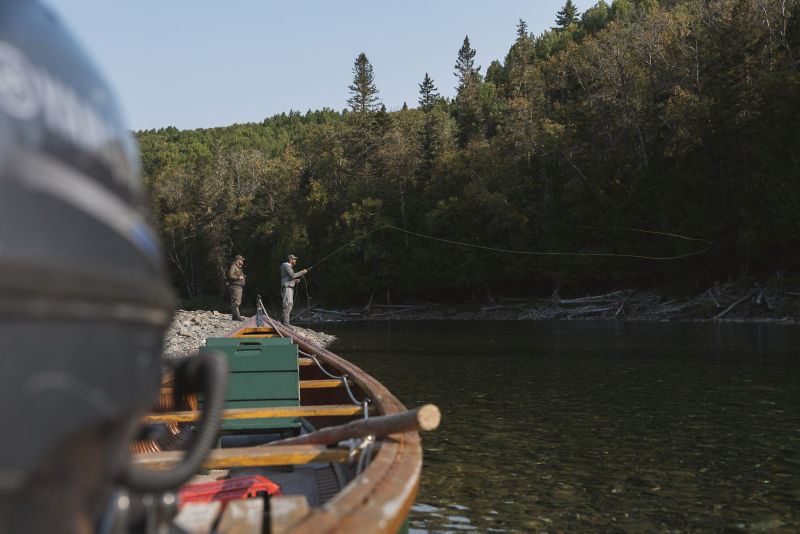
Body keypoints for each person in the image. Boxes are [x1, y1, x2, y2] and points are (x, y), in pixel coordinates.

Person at [280, 254, 307, 325]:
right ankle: (285, 323)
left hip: (289, 289)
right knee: (287, 305)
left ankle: (283, 322)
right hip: (287, 288)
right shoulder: (286, 266)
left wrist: (295, 280)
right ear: (290, 260)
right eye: (294, 259)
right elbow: (292, 275)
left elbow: (289, 277)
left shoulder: (288, 267)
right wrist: (302, 272)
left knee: (289, 305)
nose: (295, 260)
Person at [227, 254, 246, 320]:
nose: (243, 261)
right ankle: (236, 316)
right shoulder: (233, 266)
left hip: (238, 286)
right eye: (241, 260)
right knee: (236, 301)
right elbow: (230, 275)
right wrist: (239, 277)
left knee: (237, 301)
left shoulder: (238, 267)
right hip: (235, 286)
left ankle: (236, 316)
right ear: (238, 260)